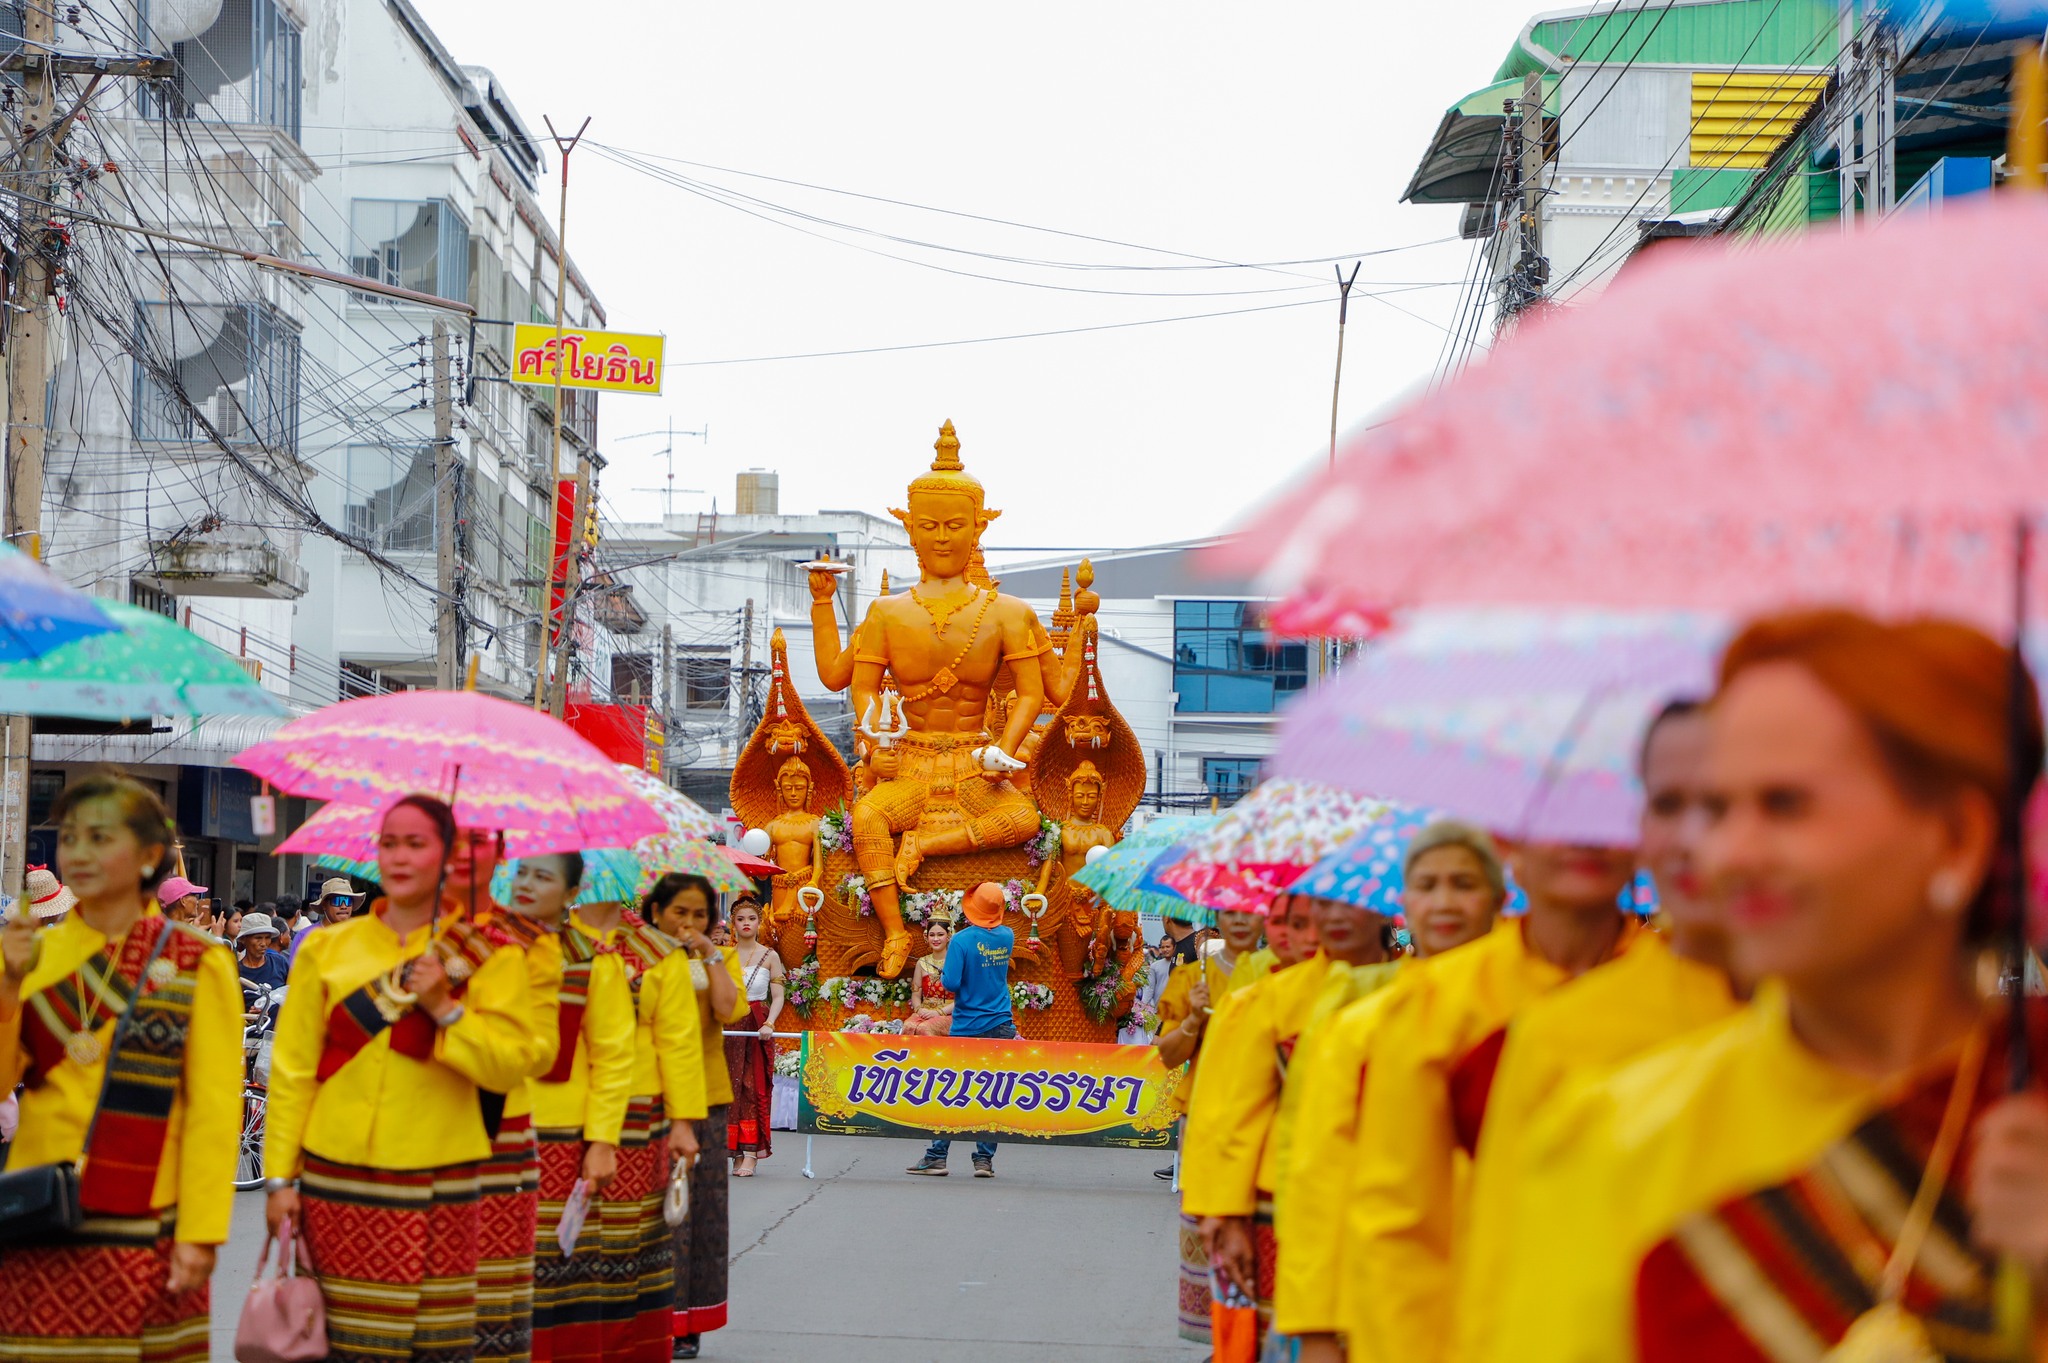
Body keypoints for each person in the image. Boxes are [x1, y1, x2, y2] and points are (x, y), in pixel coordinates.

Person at [1487, 610, 2048, 1362]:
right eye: (1719, 806)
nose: (1723, 852)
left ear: (1956, 837)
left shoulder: (2027, 1089)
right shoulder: (1616, 1141)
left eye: (1785, 804)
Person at [1455, 699, 1742, 1363]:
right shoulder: (1557, 1033)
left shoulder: (1904, 1043)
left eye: (1769, 801)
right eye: (1668, 805)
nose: (1700, 836)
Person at [1344, 816, 1644, 1363]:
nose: (1584, 836)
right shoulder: (1431, 1004)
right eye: (1560, 815)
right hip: (1477, 1319)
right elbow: (1396, 1223)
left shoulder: (1702, 999)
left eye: (1605, 815)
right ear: (1513, 847)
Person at [264, 795, 535, 1363]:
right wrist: (280, 1180)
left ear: (447, 855)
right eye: (390, 843)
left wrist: (445, 1009)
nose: (400, 857)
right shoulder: (329, 949)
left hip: (444, 1177)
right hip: (336, 1174)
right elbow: (292, 1073)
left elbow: (510, 1064)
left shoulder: (489, 953)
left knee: (435, 1346)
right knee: (339, 1344)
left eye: (417, 844)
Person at [0, 773, 241, 1363]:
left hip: (150, 1214)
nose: (79, 854)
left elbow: (213, 1108)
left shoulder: (197, 961)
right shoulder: (33, 954)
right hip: (42, 1211)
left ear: (149, 856)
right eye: (70, 838)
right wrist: (8, 985)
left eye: (100, 838)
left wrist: (203, 1231)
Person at [1280, 819, 1509, 1363]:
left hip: (1513, 1286)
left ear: (1497, 898)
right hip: (1394, 1294)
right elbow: (1320, 1182)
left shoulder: (1535, 1011)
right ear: (1404, 902)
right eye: (1428, 886)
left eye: (1464, 883)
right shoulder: (1361, 1027)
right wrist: (1316, 1330)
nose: (1445, 901)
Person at [1183, 891, 1380, 1353]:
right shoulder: (1264, 999)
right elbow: (1230, 1110)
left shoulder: (1411, 988)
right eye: (1292, 922)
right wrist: (1222, 1208)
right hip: (1281, 1197)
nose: (1310, 934)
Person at [508, 853, 637, 1363]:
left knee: (560, 1280)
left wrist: (603, 1141)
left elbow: (612, 1056)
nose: (528, 884)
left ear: (570, 894)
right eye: (522, 872)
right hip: (480, 1135)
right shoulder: (476, 948)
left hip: (559, 1137)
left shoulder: (593, 959)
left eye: (544, 876)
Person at [446, 825, 558, 1363]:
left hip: (495, 1127)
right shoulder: (387, 934)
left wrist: (452, 1019)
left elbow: (537, 1051)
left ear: (501, 852)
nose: (460, 854)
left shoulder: (526, 939)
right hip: (400, 1135)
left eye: (476, 841)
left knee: (486, 1303)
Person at [644, 873, 747, 1360]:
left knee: (694, 1213)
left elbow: (728, 1010)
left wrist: (707, 952)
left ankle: (688, 1324)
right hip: (643, 1096)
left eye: (699, 914)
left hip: (704, 1099)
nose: (688, 922)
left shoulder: (719, 959)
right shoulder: (637, 958)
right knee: (645, 1215)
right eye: (678, 912)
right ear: (656, 912)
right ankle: (642, 1319)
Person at [607, 896, 705, 1362]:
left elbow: (680, 1040)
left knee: (631, 1244)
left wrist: (682, 1121)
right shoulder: (543, 942)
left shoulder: (654, 951)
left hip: (640, 1108)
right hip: (554, 1115)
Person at [903, 883, 1019, 1180]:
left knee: (954, 1090)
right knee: (992, 1092)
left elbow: (951, 983)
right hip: (1001, 1022)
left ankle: (937, 1156)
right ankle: (984, 1160)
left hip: (968, 1024)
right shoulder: (1007, 935)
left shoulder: (963, 941)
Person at [724, 897, 783, 1177]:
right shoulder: (723, 955)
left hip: (757, 1023)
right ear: (733, 924)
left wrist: (770, 1022)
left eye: (751, 919)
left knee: (752, 1085)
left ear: (759, 923)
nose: (746, 924)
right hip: (729, 1024)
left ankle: (751, 1152)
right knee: (728, 1086)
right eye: (740, 919)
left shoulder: (770, 955)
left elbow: (779, 996)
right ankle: (734, 1150)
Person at [905, 913, 957, 1036]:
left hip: (949, 1013)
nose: (935, 939)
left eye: (940, 935)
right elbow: (916, 994)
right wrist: (919, 1009)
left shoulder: (956, 962)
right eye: (932, 935)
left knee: (925, 1029)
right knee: (908, 1026)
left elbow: (963, 998)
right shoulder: (922, 963)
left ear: (949, 936)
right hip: (925, 1011)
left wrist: (939, 1012)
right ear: (926, 937)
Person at [288, 876, 360, 962]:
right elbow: (295, 972)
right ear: (324, 905)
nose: (344, 906)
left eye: (348, 901)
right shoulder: (305, 936)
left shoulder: (360, 936)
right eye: (337, 901)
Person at [234, 912, 290, 991]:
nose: (263, 943)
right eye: (258, 938)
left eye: (267, 938)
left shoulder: (280, 963)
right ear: (243, 939)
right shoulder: (235, 972)